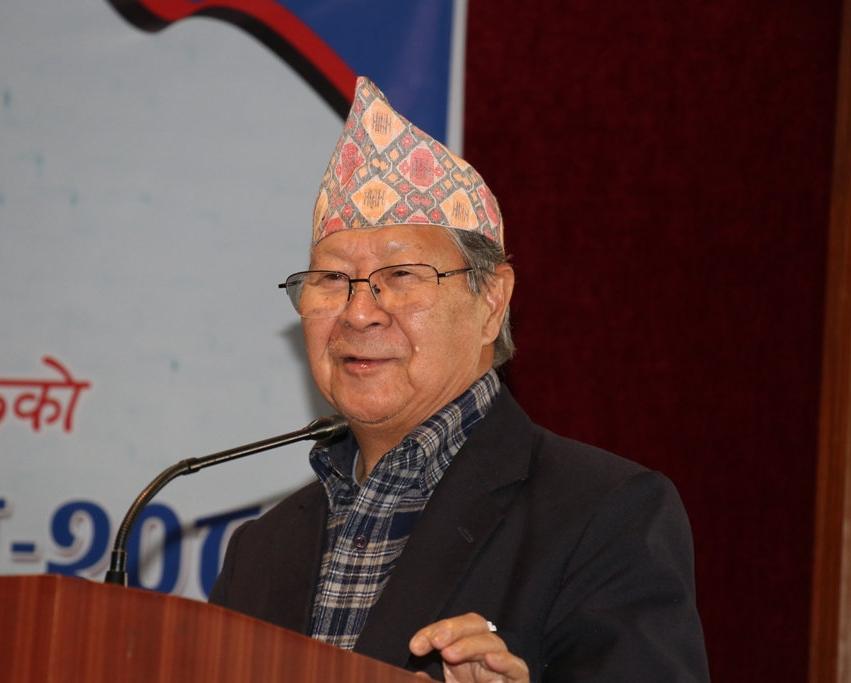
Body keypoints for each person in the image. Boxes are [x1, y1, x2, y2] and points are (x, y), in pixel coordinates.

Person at [209, 77, 710, 683]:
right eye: (333, 280)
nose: (359, 313)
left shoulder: (605, 513)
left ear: (491, 301)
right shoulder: (260, 550)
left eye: (401, 275)